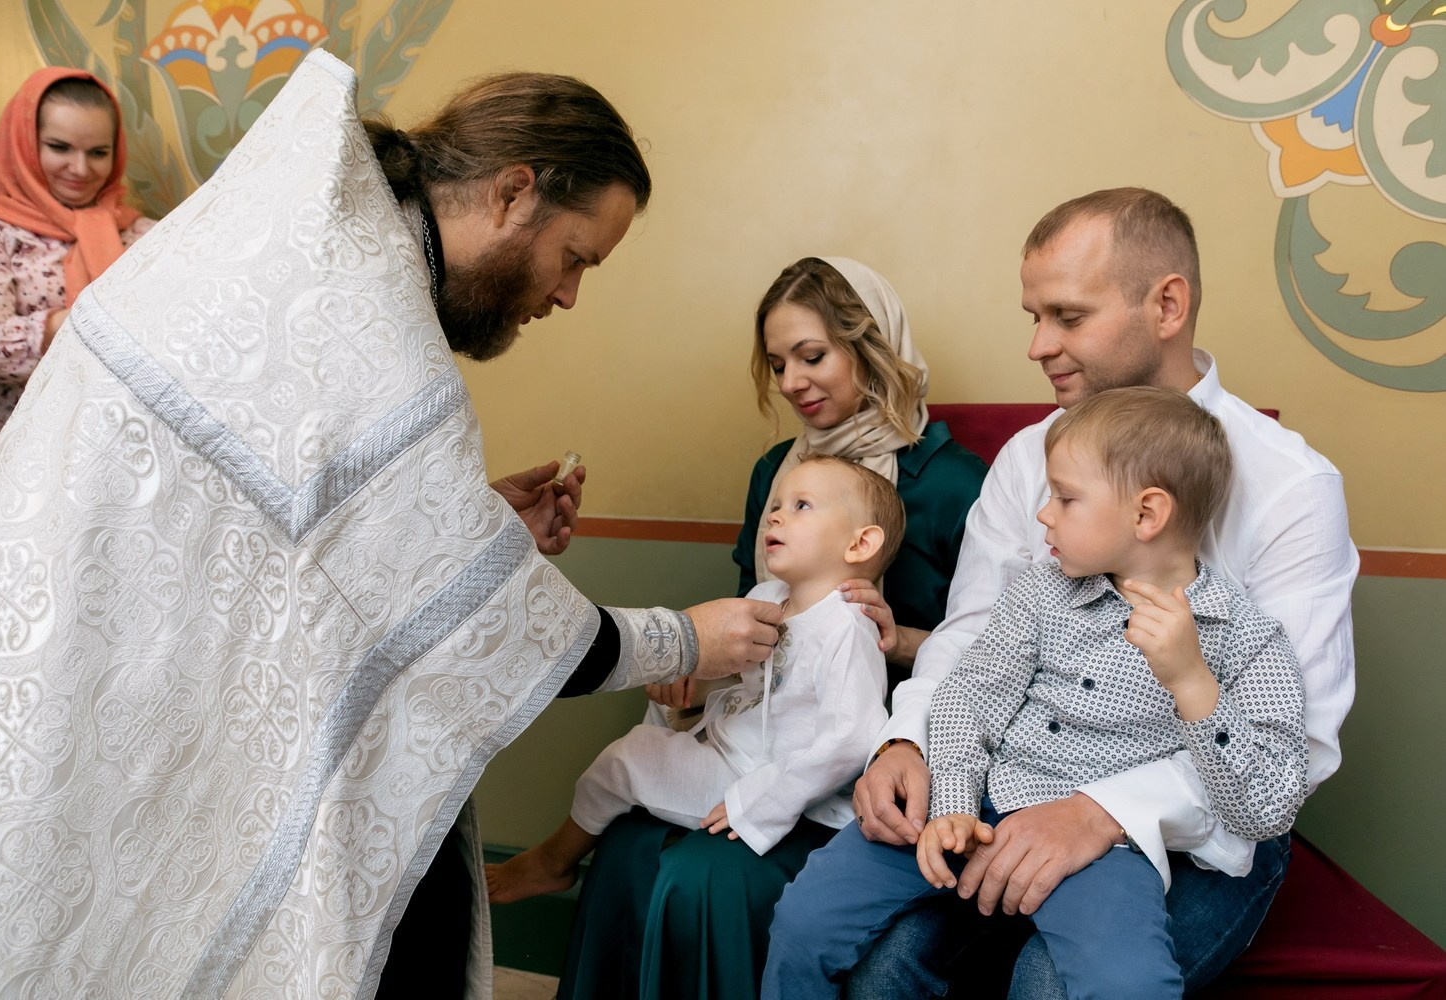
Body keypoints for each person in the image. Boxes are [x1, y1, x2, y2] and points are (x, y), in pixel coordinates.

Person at [0, 51, 782, 1000]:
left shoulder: (332, 246)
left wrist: (467, 520)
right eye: (575, 257)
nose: (566, 295)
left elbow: (290, 509)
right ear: (515, 192)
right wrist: (685, 639)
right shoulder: (367, 307)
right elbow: (484, 617)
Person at [824, 187, 1356, 998]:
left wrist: (1100, 812)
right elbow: (970, 638)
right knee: (882, 966)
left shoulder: (1291, 487)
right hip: (1013, 780)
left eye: (1068, 317)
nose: (1038, 345)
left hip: (1206, 822)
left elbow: (1301, 743)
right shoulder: (1028, 459)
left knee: (1056, 985)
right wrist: (909, 742)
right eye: (1033, 316)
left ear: (1167, 304)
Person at [765, 385, 1309, 999]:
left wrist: (1192, 685)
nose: (1044, 514)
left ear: (1147, 514)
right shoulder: (1039, 592)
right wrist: (953, 804)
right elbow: (970, 698)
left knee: (1127, 981)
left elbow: (1264, 808)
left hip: (1100, 849)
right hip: (983, 802)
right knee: (806, 919)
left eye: (1066, 498)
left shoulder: (1249, 641)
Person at [558, 256, 988, 1000]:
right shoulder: (777, 473)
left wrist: (905, 641)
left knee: (703, 876)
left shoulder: (954, 483)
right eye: (779, 362)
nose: (792, 382)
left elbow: (993, 650)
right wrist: (697, 674)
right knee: (627, 848)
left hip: (866, 759)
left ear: (874, 346)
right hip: (755, 726)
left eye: (813, 356)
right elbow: (753, 615)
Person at [488, 454, 903, 904]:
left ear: (860, 545)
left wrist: (761, 806)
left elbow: (852, 737)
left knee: (624, 758)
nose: (777, 514)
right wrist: (696, 684)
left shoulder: (846, 627)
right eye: (777, 503)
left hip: (763, 780)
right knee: (660, 708)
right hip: (733, 747)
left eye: (802, 505)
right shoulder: (767, 598)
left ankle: (552, 862)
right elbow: (748, 680)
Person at [0, 67, 155, 489]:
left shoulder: (142, 234)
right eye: (60, 147)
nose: (80, 168)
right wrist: (68, 323)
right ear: (23, 144)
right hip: (23, 450)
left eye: (98, 152)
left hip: (123, 452)